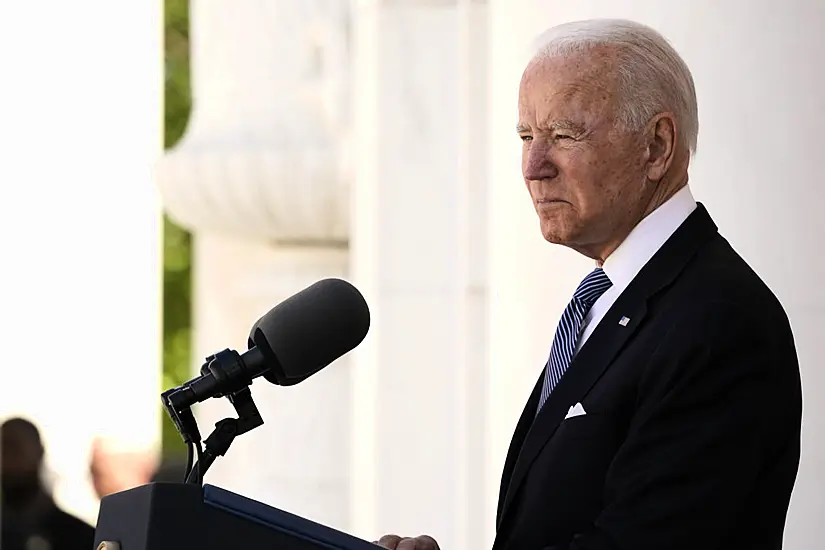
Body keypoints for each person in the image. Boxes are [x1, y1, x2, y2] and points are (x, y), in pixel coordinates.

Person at [376, 18, 802, 550]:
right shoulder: (610, 298)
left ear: (656, 146)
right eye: (526, 136)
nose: (533, 167)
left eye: (563, 135)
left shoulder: (720, 322)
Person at [1, 417, 96, 550]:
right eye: (3, 450)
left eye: (15, 448)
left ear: (39, 452)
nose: (6, 459)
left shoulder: (80, 536)